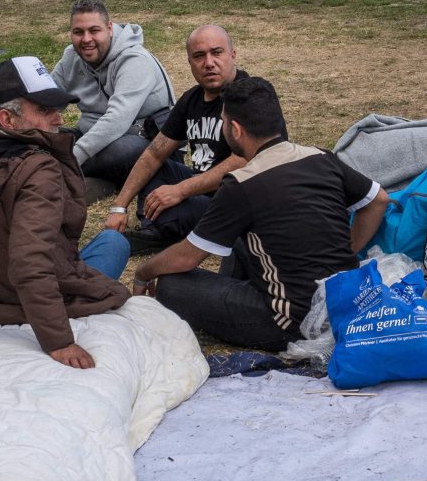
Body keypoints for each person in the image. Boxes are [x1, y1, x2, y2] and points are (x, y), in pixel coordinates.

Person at [132, 75, 390, 351]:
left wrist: (143, 272)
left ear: (235, 130)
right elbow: (378, 200)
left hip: (289, 324)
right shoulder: (321, 157)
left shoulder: (241, 183)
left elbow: (186, 256)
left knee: (170, 284)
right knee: (244, 240)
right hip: (344, 302)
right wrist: (347, 253)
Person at [0, 56, 131, 369]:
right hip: (21, 296)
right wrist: (59, 341)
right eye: (45, 110)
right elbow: (29, 263)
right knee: (115, 243)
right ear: (8, 119)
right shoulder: (38, 169)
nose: (58, 119)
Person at [103, 24, 248, 243]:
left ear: (233, 54)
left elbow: (243, 162)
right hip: (201, 188)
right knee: (155, 166)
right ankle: (153, 228)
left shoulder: (250, 94)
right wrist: (119, 206)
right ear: (189, 62)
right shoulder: (192, 99)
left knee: (175, 209)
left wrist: (180, 190)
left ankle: (164, 229)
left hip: (236, 198)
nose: (209, 63)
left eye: (217, 53)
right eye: (199, 56)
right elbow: (154, 154)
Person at [50, 0, 174, 185]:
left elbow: (117, 119)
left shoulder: (135, 60)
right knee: (42, 139)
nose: (86, 39)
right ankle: (81, 176)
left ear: (109, 28)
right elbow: (49, 97)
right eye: (78, 32)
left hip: (142, 140)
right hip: (92, 136)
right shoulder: (72, 56)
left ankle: (57, 171)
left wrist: (74, 156)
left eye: (94, 30)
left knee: (122, 151)